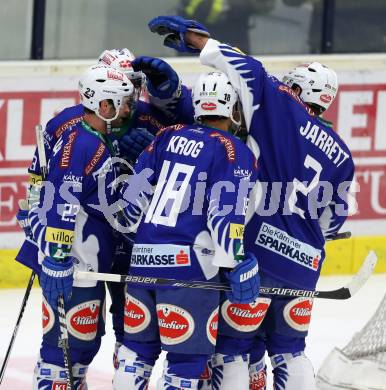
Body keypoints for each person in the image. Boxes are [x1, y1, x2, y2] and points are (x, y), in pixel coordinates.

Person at [147, 16, 355, 390]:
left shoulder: (282, 108)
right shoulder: (343, 155)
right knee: (291, 350)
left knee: (233, 349)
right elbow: (331, 223)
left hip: (260, 259)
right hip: (303, 267)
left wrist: (202, 42)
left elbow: (249, 69)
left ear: (297, 90)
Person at [15, 47, 195, 369]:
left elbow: (200, 128)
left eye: (132, 86)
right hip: (84, 245)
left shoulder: (149, 116)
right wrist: (44, 239)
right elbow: (42, 183)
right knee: (72, 344)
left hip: (132, 243)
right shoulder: (69, 125)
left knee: (133, 339)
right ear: (103, 96)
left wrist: (175, 94)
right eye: (122, 87)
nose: (131, 98)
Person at [113, 71, 260, 390]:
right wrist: (236, 262)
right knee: (187, 363)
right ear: (232, 109)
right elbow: (225, 216)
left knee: (135, 355)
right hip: (188, 270)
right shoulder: (234, 151)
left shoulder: (167, 135)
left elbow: (130, 203)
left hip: (143, 262)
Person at [25, 64, 135, 388]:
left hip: (87, 263)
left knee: (81, 349)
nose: (128, 109)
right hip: (73, 264)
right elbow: (62, 202)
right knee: (62, 355)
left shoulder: (99, 140)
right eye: (122, 102)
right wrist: (58, 258)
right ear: (104, 105)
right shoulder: (82, 145)